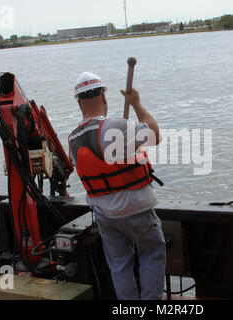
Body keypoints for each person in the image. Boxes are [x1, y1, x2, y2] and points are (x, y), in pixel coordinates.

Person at [68, 71, 166, 300]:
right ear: (104, 98)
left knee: (120, 265)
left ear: (79, 102)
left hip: (105, 215)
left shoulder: (73, 139)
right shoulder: (114, 126)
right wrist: (136, 104)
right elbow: (154, 134)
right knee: (151, 253)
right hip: (138, 209)